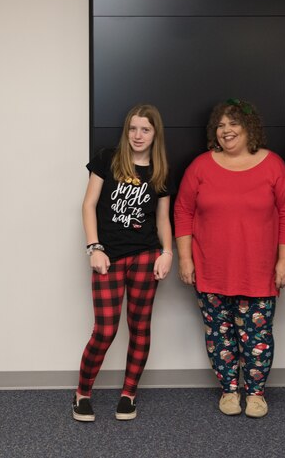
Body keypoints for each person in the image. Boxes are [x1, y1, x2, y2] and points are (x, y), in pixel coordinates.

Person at [174, 99, 285, 418]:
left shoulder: (274, 165)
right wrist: (185, 259)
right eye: (220, 125)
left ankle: (255, 393)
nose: (226, 130)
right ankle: (229, 390)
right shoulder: (200, 166)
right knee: (219, 336)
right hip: (211, 269)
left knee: (258, 338)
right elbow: (183, 211)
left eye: (233, 123)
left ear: (250, 127)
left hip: (258, 271)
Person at [73, 104, 173, 422]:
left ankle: (129, 394)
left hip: (145, 256)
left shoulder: (159, 171)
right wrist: (94, 248)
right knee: (104, 330)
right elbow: (88, 205)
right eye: (133, 128)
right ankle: (82, 394)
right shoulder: (107, 159)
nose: (137, 135)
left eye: (145, 129)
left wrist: (168, 252)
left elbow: (162, 219)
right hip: (109, 256)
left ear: (155, 133)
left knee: (140, 327)